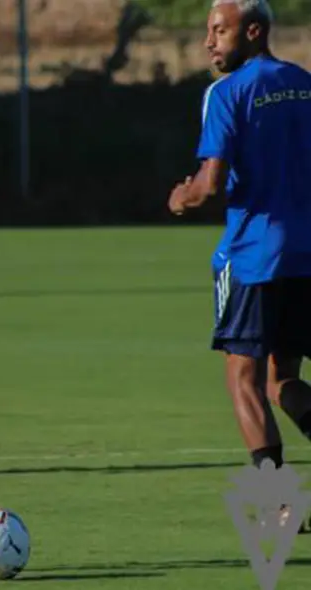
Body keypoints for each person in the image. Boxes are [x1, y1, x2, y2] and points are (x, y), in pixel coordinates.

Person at [168, 0, 311, 530]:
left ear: (253, 31)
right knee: (284, 380)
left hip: (254, 255)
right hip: (306, 250)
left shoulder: (227, 92)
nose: (210, 42)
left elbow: (208, 185)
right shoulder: (304, 82)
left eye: (220, 30)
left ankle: (279, 502)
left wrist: (181, 197)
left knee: (243, 379)